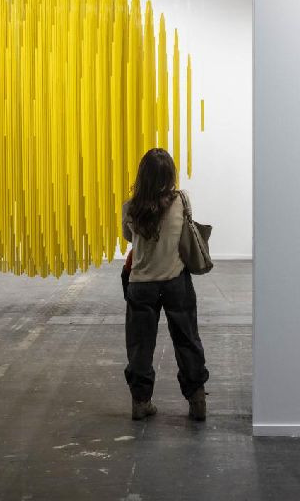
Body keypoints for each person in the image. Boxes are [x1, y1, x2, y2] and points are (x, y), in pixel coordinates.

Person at [122, 148, 209, 421]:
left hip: (141, 284)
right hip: (175, 281)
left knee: (140, 345)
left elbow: (128, 237)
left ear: (143, 175)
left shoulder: (130, 207)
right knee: (187, 339)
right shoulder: (181, 200)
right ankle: (197, 401)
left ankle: (140, 402)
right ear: (170, 174)